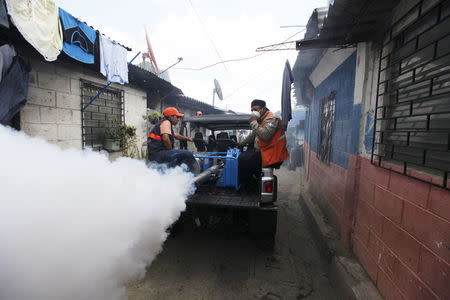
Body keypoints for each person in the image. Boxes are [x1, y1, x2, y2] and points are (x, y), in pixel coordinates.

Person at [239, 99, 289, 168]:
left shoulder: (271, 119)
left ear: (263, 109)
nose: (253, 112)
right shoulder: (261, 119)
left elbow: (266, 136)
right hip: (264, 152)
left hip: (272, 153)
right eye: (252, 110)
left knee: (244, 161)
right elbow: (253, 135)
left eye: (256, 109)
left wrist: (253, 123)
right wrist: (240, 143)